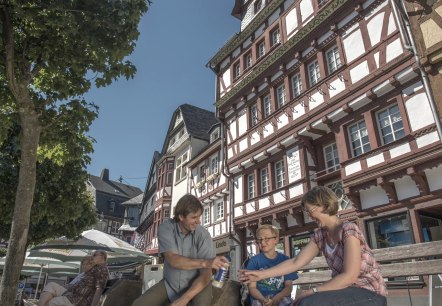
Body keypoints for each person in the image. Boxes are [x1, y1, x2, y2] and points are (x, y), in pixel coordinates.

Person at [240, 186, 387, 306]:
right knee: (302, 303)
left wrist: (313, 291)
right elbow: (296, 262)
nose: (309, 216)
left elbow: (349, 276)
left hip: (369, 293)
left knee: (308, 302)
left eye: (311, 210)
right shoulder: (321, 235)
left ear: (324, 205)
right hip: (344, 291)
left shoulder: (348, 230)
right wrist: (261, 274)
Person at [132, 194, 230, 306]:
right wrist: (206, 262)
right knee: (138, 304)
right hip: (169, 285)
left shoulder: (203, 235)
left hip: (198, 284)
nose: (198, 221)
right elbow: (173, 260)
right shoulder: (166, 228)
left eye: (199, 216)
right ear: (181, 217)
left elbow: (206, 274)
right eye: (194, 217)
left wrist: (184, 299)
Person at [246, 224, 298, 306]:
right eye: (259, 239)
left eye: (266, 238)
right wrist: (263, 299)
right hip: (260, 299)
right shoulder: (254, 261)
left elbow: (288, 287)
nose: (263, 242)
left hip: (280, 297)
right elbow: (252, 288)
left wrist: (276, 298)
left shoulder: (285, 260)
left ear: (276, 239)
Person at [38, 250, 109, 306]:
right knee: (51, 285)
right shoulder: (95, 268)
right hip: (72, 294)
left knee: (51, 301)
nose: (92, 257)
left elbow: (99, 289)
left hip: (77, 300)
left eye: (94, 255)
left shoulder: (102, 269)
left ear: (102, 256)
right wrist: (67, 286)